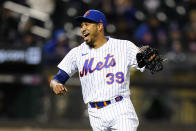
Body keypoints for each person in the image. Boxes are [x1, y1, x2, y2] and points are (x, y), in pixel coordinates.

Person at [50, 9, 161, 131]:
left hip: (120, 108)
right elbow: (58, 78)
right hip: (95, 114)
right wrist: (56, 84)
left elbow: (148, 63)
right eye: (82, 25)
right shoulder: (76, 53)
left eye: (87, 24)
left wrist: (149, 61)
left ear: (99, 26)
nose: (83, 29)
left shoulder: (123, 46)